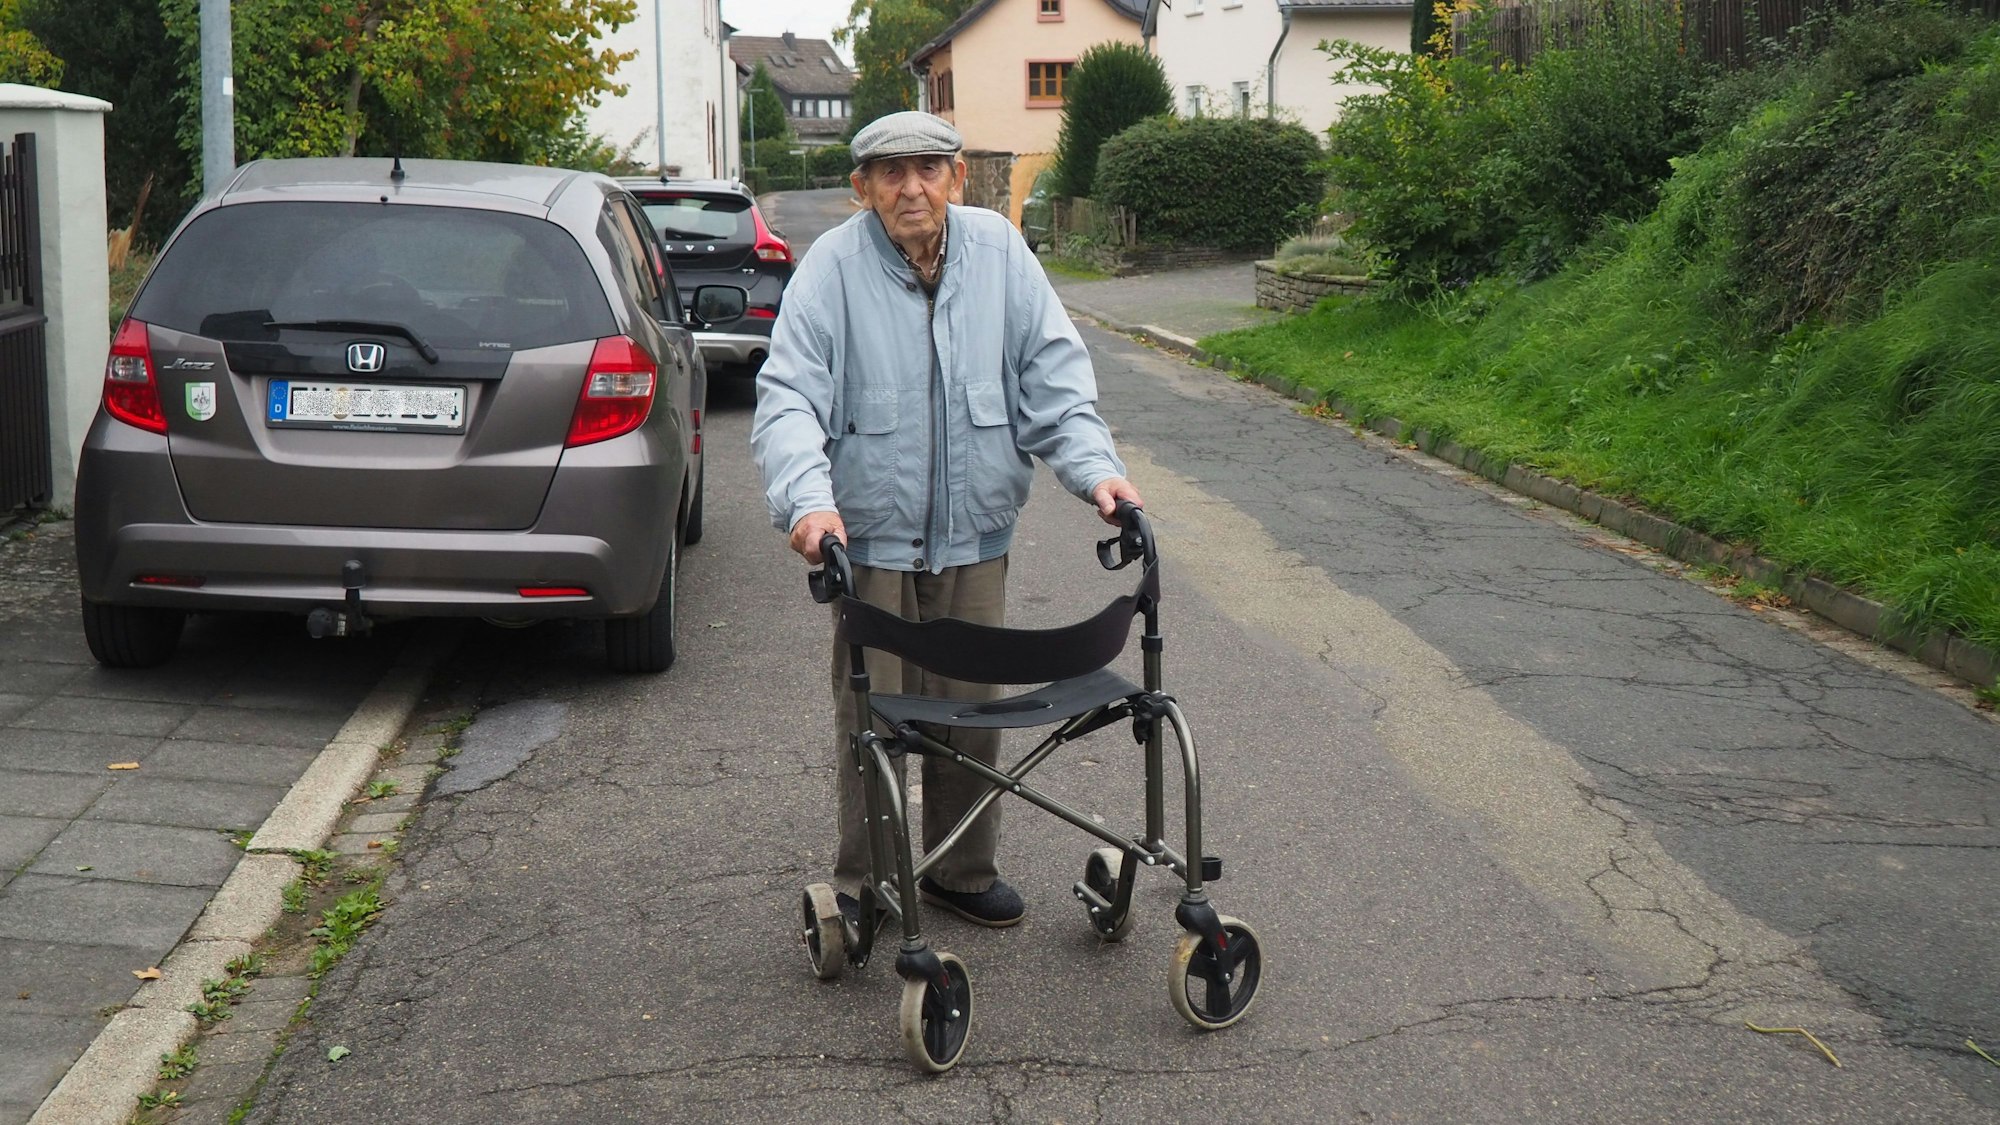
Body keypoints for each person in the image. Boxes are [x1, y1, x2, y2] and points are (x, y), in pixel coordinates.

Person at [750, 111, 1143, 928]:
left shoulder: (1001, 254)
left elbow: (1054, 379)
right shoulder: (831, 270)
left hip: (974, 537)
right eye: (891, 173)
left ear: (957, 178)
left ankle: (960, 871)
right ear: (862, 189)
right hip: (869, 542)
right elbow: (788, 397)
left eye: (928, 169)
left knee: (972, 716)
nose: (912, 189)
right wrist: (809, 501)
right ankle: (868, 883)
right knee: (873, 720)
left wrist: (1098, 473)